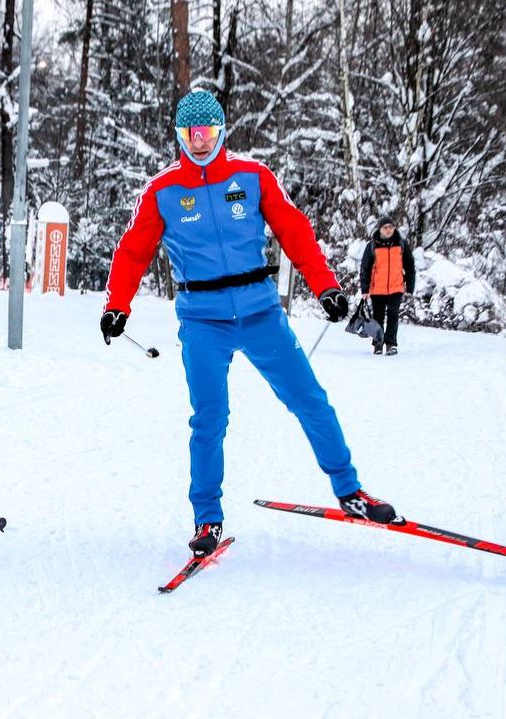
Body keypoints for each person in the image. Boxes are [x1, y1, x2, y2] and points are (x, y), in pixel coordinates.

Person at [99, 90, 399, 557]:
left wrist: (326, 287)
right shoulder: (163, 191)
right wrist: (117, 305)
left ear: (221, 132)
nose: (199, 141)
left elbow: (295, 232)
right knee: (209, 418)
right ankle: (207, 518)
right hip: (203, 321)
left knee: (309, 400)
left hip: (261, 314)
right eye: (190, 134)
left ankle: (350, 491)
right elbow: (133, 251)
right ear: (179, 136)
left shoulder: (253, 176)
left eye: (207, 132)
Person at [359, 216, 416, 355]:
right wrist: (365, 289)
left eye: (391, 227)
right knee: (378, 317)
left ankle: (391, 344)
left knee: (393, 315)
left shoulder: (401, 244)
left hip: (396, 287)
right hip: (377, 288)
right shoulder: (372, 245)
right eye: (385, 227)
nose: (388, 230)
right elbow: (365, 268)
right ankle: (378, 344)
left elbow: (410, 266)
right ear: (380, 229)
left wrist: (410, 286)